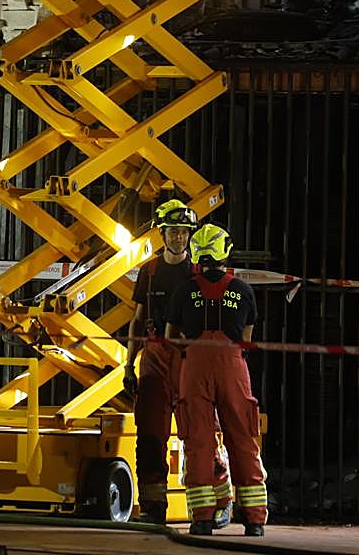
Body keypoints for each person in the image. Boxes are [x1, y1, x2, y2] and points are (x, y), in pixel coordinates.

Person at [122, 200, 231, 527]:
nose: (180, 238)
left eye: (185, 232)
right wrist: (128, 365)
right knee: (151, 434)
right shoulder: (150, 272)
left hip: (190, 355)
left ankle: (220, 502)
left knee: (200, 430)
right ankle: (154, 507)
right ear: (162, 234)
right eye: (174, 232)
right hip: (155, 355)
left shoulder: (198, 272)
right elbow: (137, 320)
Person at [165, 224, 268, 537]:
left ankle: (203, 520)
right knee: (243, 439)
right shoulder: (243, 290)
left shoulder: (184, 290)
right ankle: (254, 521)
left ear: (197, 253)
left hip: (194, 367)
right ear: (226, 252)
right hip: (233, 367)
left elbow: (171, 337)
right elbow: (247, 340)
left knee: (198, 442)